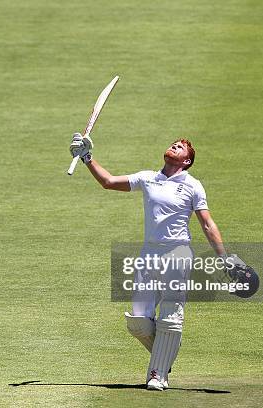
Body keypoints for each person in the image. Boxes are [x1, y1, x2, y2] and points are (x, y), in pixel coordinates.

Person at [69, 133, 246, 391]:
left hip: (177, 253)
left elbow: (207, 224)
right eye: (174, 143)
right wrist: (87, 158)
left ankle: (157, 374)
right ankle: (168, 344)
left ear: (186, 161)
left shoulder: (192, 185)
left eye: (181, 147)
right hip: (149, 254)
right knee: (138, 320)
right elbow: (108, 182)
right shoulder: (148, 178)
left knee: (171, 317)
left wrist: (225, 258)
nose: (175, 145)